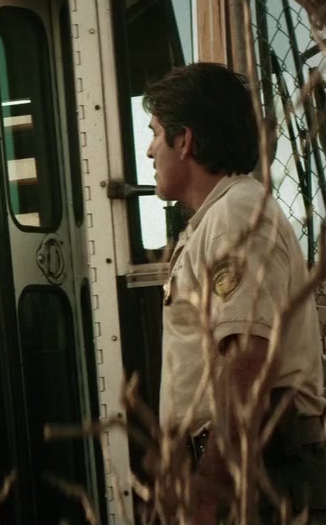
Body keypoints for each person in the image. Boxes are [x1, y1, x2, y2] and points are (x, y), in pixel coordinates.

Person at [146, 63, 326, 524]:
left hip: (260, 477)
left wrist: (207, 493)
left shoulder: (236, 215)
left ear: (185, 141)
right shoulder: (215, 220)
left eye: (155, 133)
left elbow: (247, 364)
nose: (149, 151)